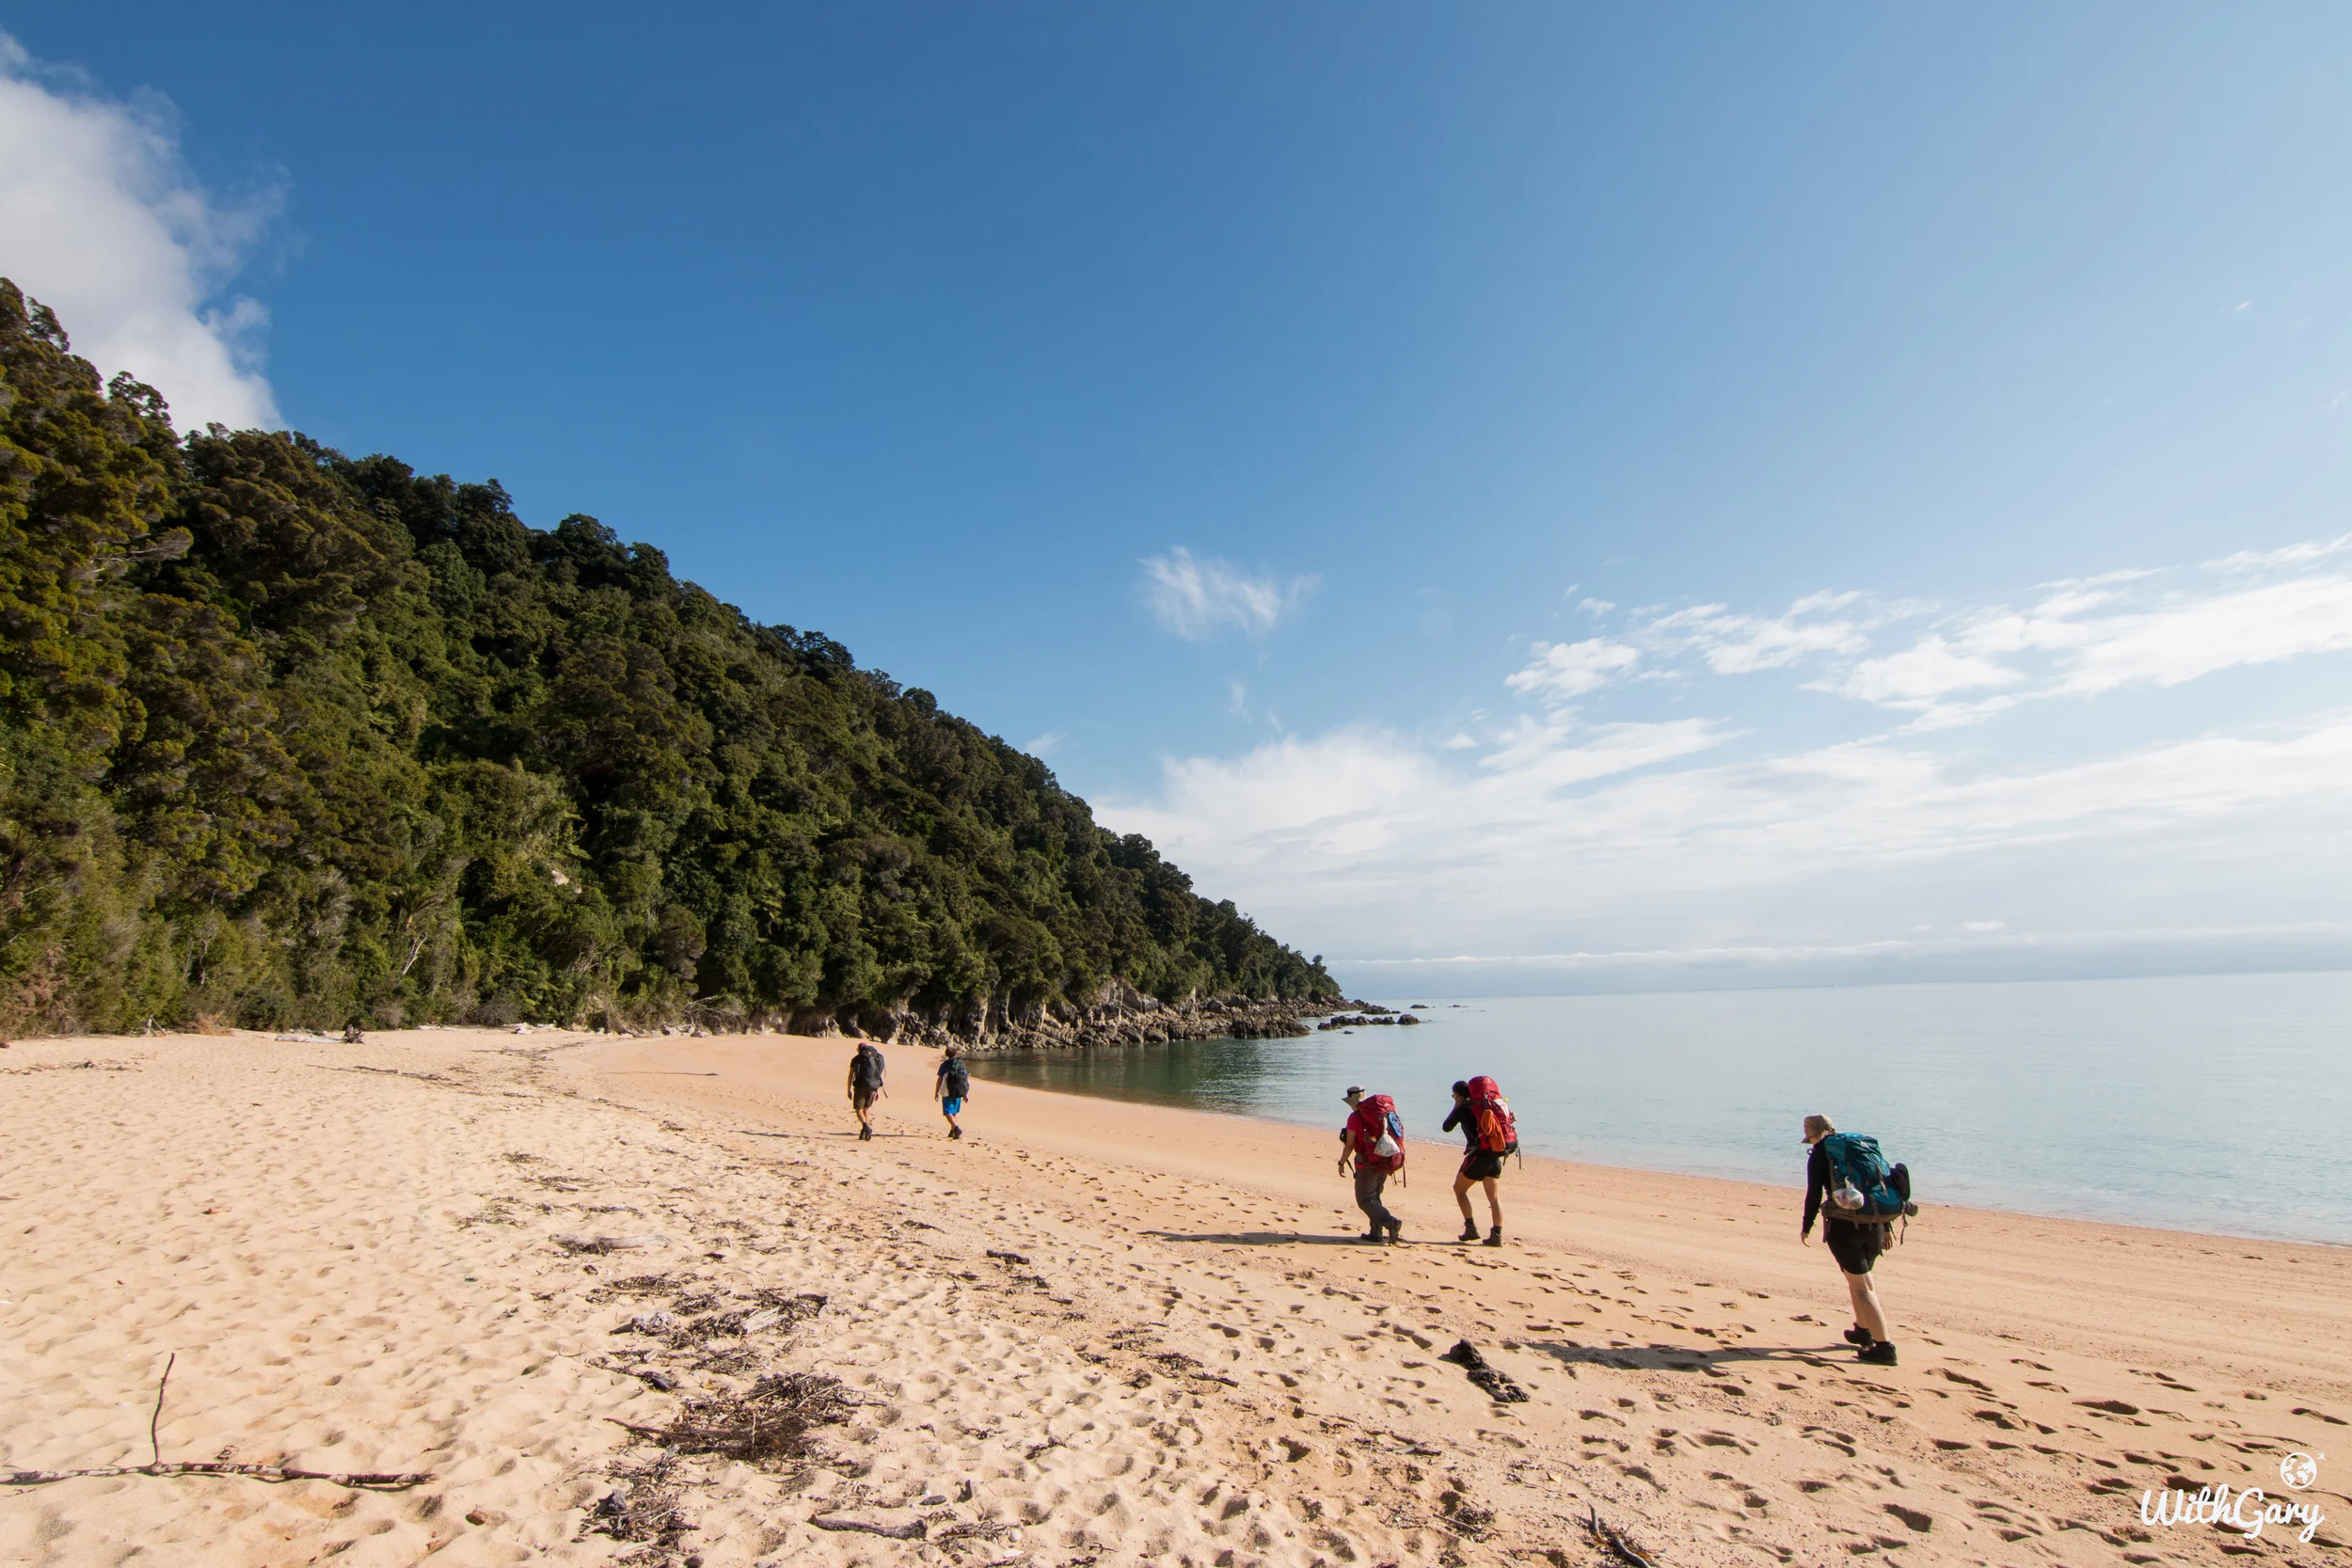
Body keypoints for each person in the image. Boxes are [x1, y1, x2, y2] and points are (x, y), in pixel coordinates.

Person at [1802, 1113, 1897, 1366]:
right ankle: (1863, 1331)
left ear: (1811, 1133)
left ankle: (1885, 1347)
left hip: (1845, 1228)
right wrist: (1886, 1225)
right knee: (1861, 1280)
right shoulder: (1858, 1149)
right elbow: (1877, 1186)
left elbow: (1813, 1194)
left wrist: (1806, 1226)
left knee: (1861, 1287)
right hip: (1874, 1225)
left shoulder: (1821, 1154)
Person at [1336, 1085, 1406, 1243]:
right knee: (1375, 1197)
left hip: (1366, 1164)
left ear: (1352, 1103)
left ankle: (1391, 1223)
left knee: (1365, 1201)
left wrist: (1341, 1162)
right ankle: (1376, 1233)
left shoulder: (1355, 1118)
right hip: (1385, 1158)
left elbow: (1349, 1145)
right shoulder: (1381, 1115)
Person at [1443, 1079, 1506, 1246]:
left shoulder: (1462, 1109)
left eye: (1453, 1095)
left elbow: (1446, 1127)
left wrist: (1456, 1106)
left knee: (1459, 1190)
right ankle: (1496, 1235)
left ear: (1458, 1095)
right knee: (1494, 1199)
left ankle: (1470, 1229)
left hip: (1478, 1157)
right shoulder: (1485, 1107)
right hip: (1494, 1156)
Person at [847, 1039, 886, 1141]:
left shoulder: (856, 1059)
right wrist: (876, 1091)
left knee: (858, 1109)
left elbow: (851, 1075)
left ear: (859, 1049)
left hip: (860, 1086)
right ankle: (864, 1131)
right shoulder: (875, 1058)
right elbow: (877, 1074)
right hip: (873, 1086)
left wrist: (848, 1089)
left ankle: (866, 1126)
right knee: (867, 1108)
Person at [935, 1044, 970, 1140]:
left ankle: (956, 1128)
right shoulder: (960, 1064)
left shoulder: (944, 1065)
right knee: (953, 1112)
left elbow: (939, 1080)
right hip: (958, 1090)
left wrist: (936, 1092)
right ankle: (952, 1132)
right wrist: (965, 1093)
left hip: (947, 1091)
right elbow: (964, 1079)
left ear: (946, 1054)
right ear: (955, 1053)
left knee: (947, 1111)